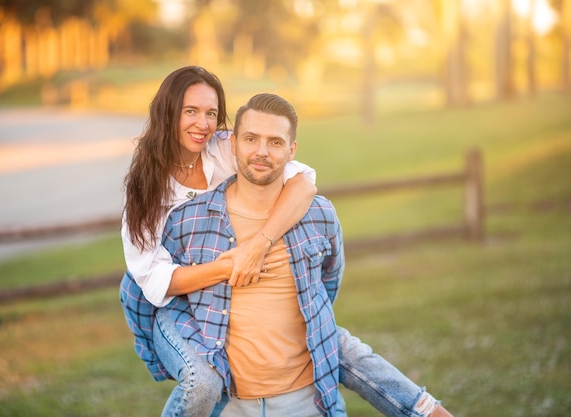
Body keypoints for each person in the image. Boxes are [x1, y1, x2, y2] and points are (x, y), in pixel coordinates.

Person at [120, 67, 453, 417]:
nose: (202, 124)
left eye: (212, 113)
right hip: (172, 301)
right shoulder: (148, 191)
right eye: (191, 111)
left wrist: (259, 243)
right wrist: (229, 266)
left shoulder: (223, 146)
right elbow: (153, 282)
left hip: (273, 335)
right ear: (168, 112)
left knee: (331, 339)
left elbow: (303, 182)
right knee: (202, 381)